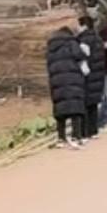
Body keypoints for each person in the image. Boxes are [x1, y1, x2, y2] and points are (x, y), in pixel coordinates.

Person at [46, 20, 86, 148]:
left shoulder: (51, 47)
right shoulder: (71, 42)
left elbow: (49, 64)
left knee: (60, 110)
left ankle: (61, 138)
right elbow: (79, 55)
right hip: (72, 79)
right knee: (75, 108)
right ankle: (76, 136)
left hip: (57, 82)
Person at [78, 11, 105, 139]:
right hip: (98, 75)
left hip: (87, 76)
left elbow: (82, 58)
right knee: (93, 104)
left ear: (83, 26)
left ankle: (84, 132)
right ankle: (94, 131)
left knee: (84, 104)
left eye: (79, 25)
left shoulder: (83, 40)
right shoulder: (99, 38)